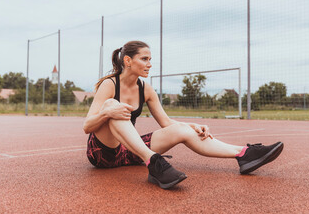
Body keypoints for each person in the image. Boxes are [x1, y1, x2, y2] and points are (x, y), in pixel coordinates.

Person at [83, 40, 284, 189]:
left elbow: (166, 123)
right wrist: (107, 112)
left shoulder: (146, 89)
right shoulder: (110, 84)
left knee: (181, 129)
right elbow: (87, 126)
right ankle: (153, 162)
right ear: (128, 60)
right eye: (144, 59)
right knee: (111, 104)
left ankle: (243, 154)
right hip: (104, 153)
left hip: (130, 151)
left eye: (150, 59)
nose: (150, 64)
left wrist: (192, 126)